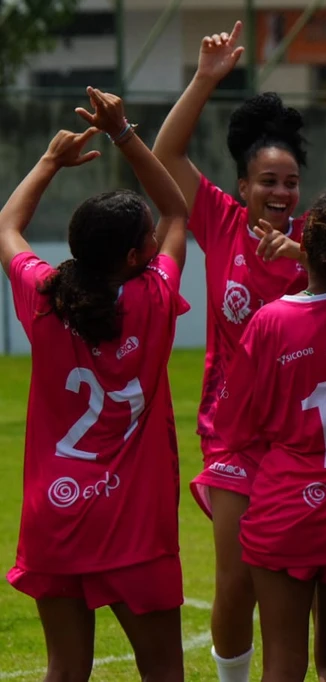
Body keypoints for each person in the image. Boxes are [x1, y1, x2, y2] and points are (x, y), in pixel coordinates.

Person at [1, 88, 190, 681]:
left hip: (53, 515)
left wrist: (50, 161)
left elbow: (8, 224)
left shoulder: (45, 298)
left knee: (65, 669)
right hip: (132, 524)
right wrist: (124, 134)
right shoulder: (153, 298)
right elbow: (178, 210)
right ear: (136, 256)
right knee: (162, 672)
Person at [151, 23, 310, 682]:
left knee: (292, 585)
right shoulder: (219, 220)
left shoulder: (319, 238)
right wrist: (205, 78)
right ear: (242, 187)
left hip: (304, 438)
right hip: (233, 435)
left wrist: (306, 257)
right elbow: (164, 155)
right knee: (237, 580)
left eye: (290, 182)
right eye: (268, 181)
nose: (281, 193)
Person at [211, 190, 326, 682]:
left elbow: (233, 426)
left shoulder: (270, 322)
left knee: (283, 663)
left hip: (286, 511)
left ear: (303, 245)